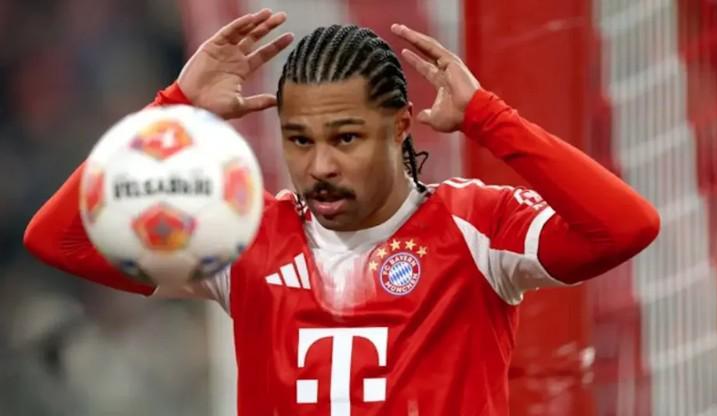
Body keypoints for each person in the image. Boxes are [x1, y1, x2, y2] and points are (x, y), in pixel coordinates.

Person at [24, 8, 660, 415]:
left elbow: (625, 227)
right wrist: (174, 108)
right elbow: (61, 241)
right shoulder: (242, 237)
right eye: (299, 140)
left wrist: (490, 119)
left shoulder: (478, 227)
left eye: (346, 138)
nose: (319, 165)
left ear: (401, 127)